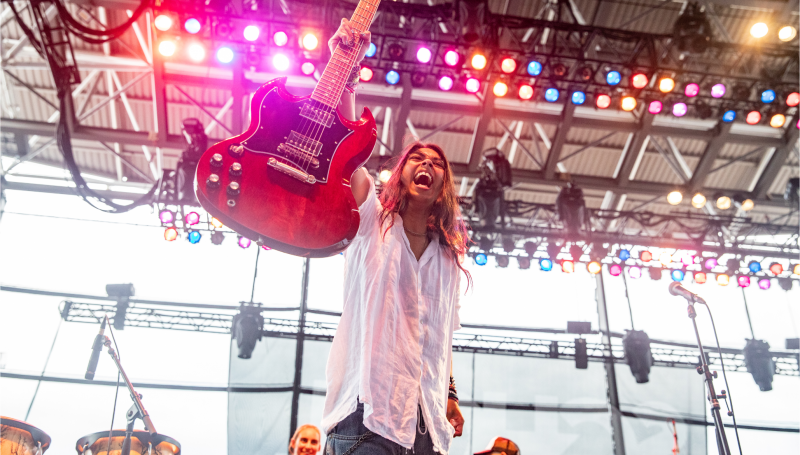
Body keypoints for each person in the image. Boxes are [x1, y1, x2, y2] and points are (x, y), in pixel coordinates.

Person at [320, 17, 470, 455]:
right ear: (402, 173)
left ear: (444, 183)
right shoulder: (372, 220)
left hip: (427, 428)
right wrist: (346, 75)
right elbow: (345, 154)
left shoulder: (449, 256)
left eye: (437, 163)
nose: (427, 165)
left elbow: (437, 336)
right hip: (366, 418)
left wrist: (451, 393)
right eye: (417, 159)